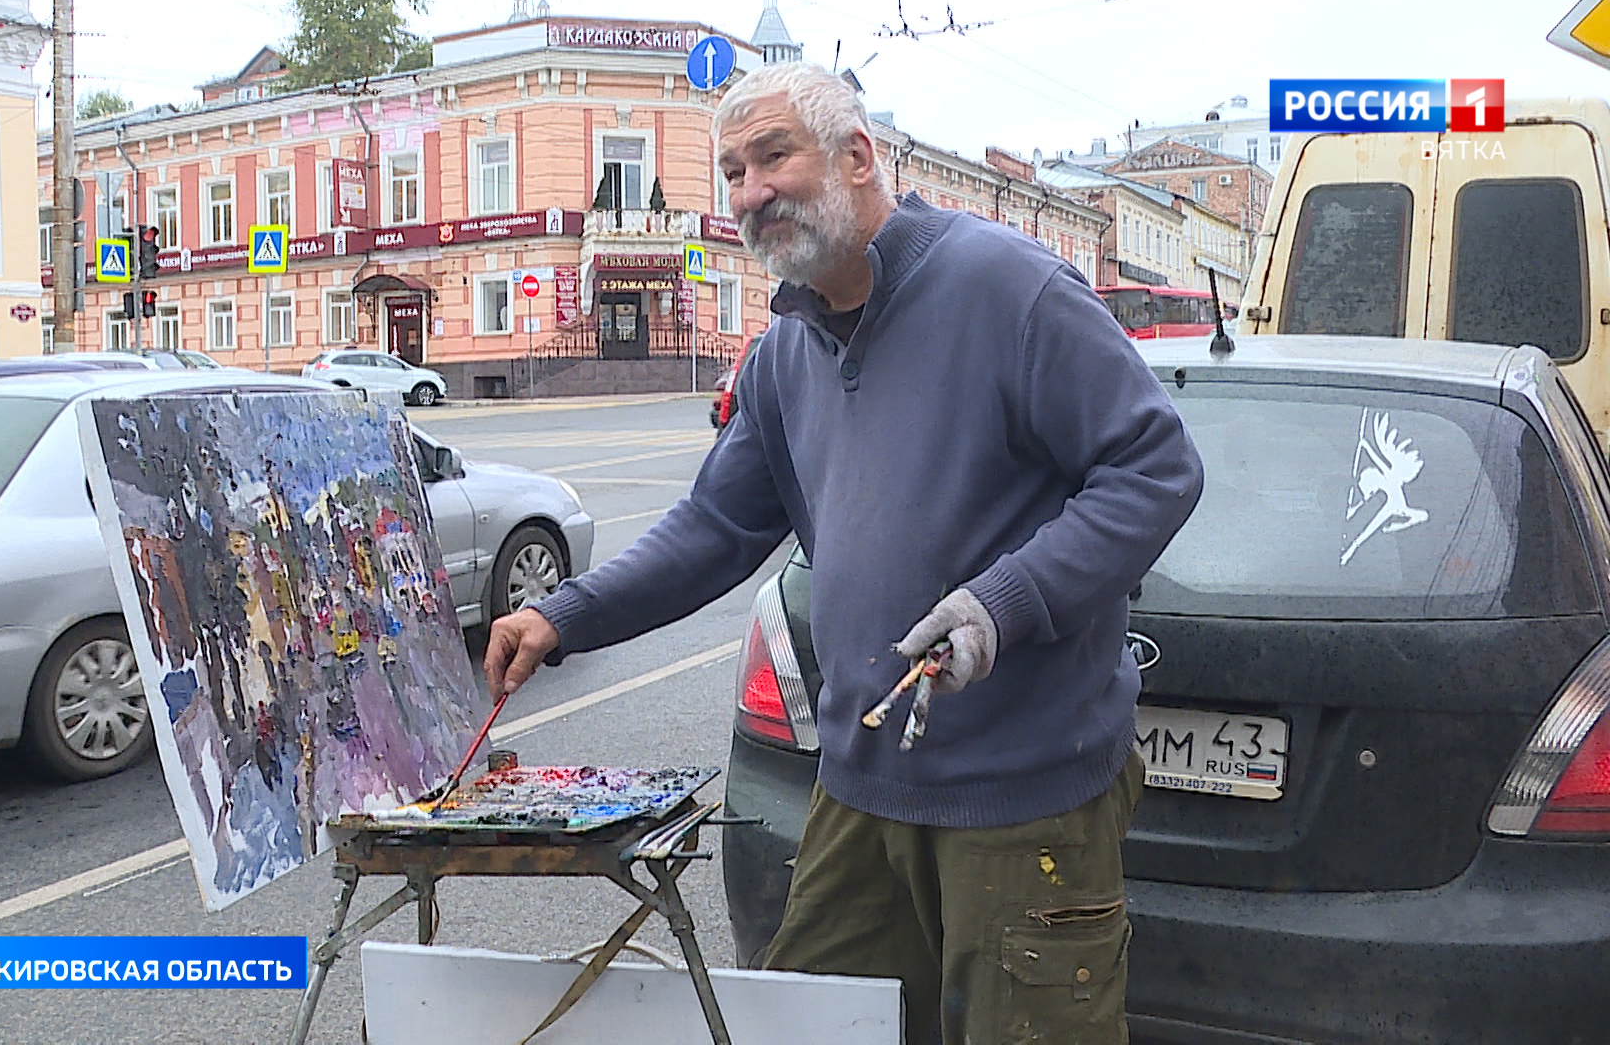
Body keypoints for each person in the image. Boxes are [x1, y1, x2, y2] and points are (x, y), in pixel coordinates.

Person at [483, 62, 1204, 1045]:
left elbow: (1155, 469)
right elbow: (714, 528)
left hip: (1028, 789)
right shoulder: (787, 351)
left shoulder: (1008, 287)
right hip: (861, 785)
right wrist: (563, 616)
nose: (750, 191)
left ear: (858, 156)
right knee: (812, 1027)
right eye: (733, 171)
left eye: (772, 156)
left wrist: (1002, 603)